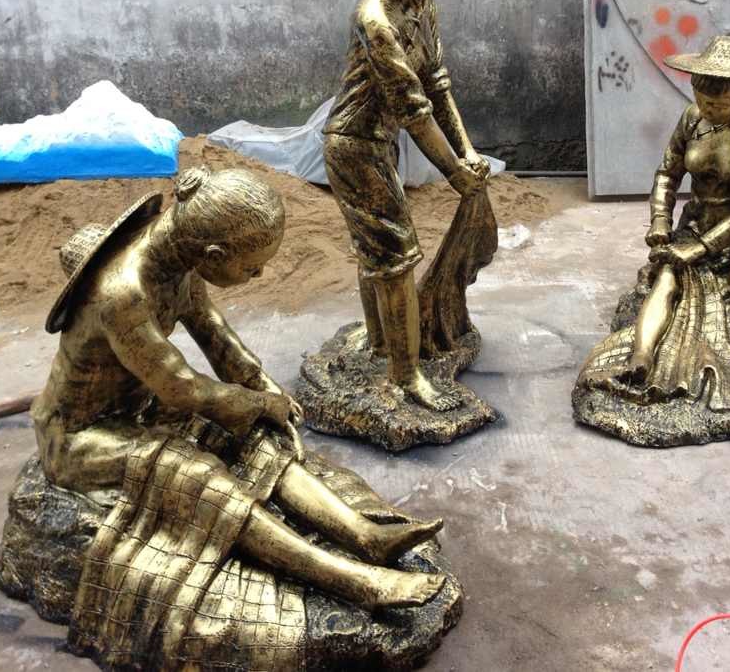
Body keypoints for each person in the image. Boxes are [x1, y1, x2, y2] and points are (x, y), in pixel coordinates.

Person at [32, 167, 444, 610]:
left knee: (250, 437)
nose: (259, 274)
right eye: (250, 268)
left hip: (141, 407)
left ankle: (363, 535)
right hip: (80, 436)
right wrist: (260, 403)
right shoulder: (122, 294)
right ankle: (358, 582)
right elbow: (182, 389)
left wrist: (266, 391)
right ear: (214, 254)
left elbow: (216, 337)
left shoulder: (180, 259)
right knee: (197, 477)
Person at [323, 0, 491, 412]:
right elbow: (414, 111)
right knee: (394, 256)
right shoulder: (378, 17)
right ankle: (405, 375)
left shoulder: (421, 2)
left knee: (378, 251)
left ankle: (381, 342)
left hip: (380, 142)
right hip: (354, 146)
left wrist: (467, 153)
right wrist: (454, 173)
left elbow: (437, 84)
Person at [615, 36, 730, 409]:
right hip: (697, 222)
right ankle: (642, 356)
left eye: (718, 104)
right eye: (701, 100)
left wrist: (701, 249)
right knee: (668, 276)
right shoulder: (692, 119)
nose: (707, 109)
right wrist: (660, 221)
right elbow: (667, 174)